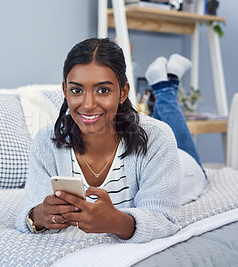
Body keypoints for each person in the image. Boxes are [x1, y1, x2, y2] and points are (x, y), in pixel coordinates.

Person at [15, 38, 207, 242]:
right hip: (150, 146)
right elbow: (30, 211)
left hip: (186, 169)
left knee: (171, 137)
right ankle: (165, 83)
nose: (88, 105)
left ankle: (165, 87)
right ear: (65, 91)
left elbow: (164, 219)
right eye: (77, 90)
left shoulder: (158, 138)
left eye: (103, 90)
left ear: (123, 92)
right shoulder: (46, 142)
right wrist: (39, 216)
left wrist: (116, 222)